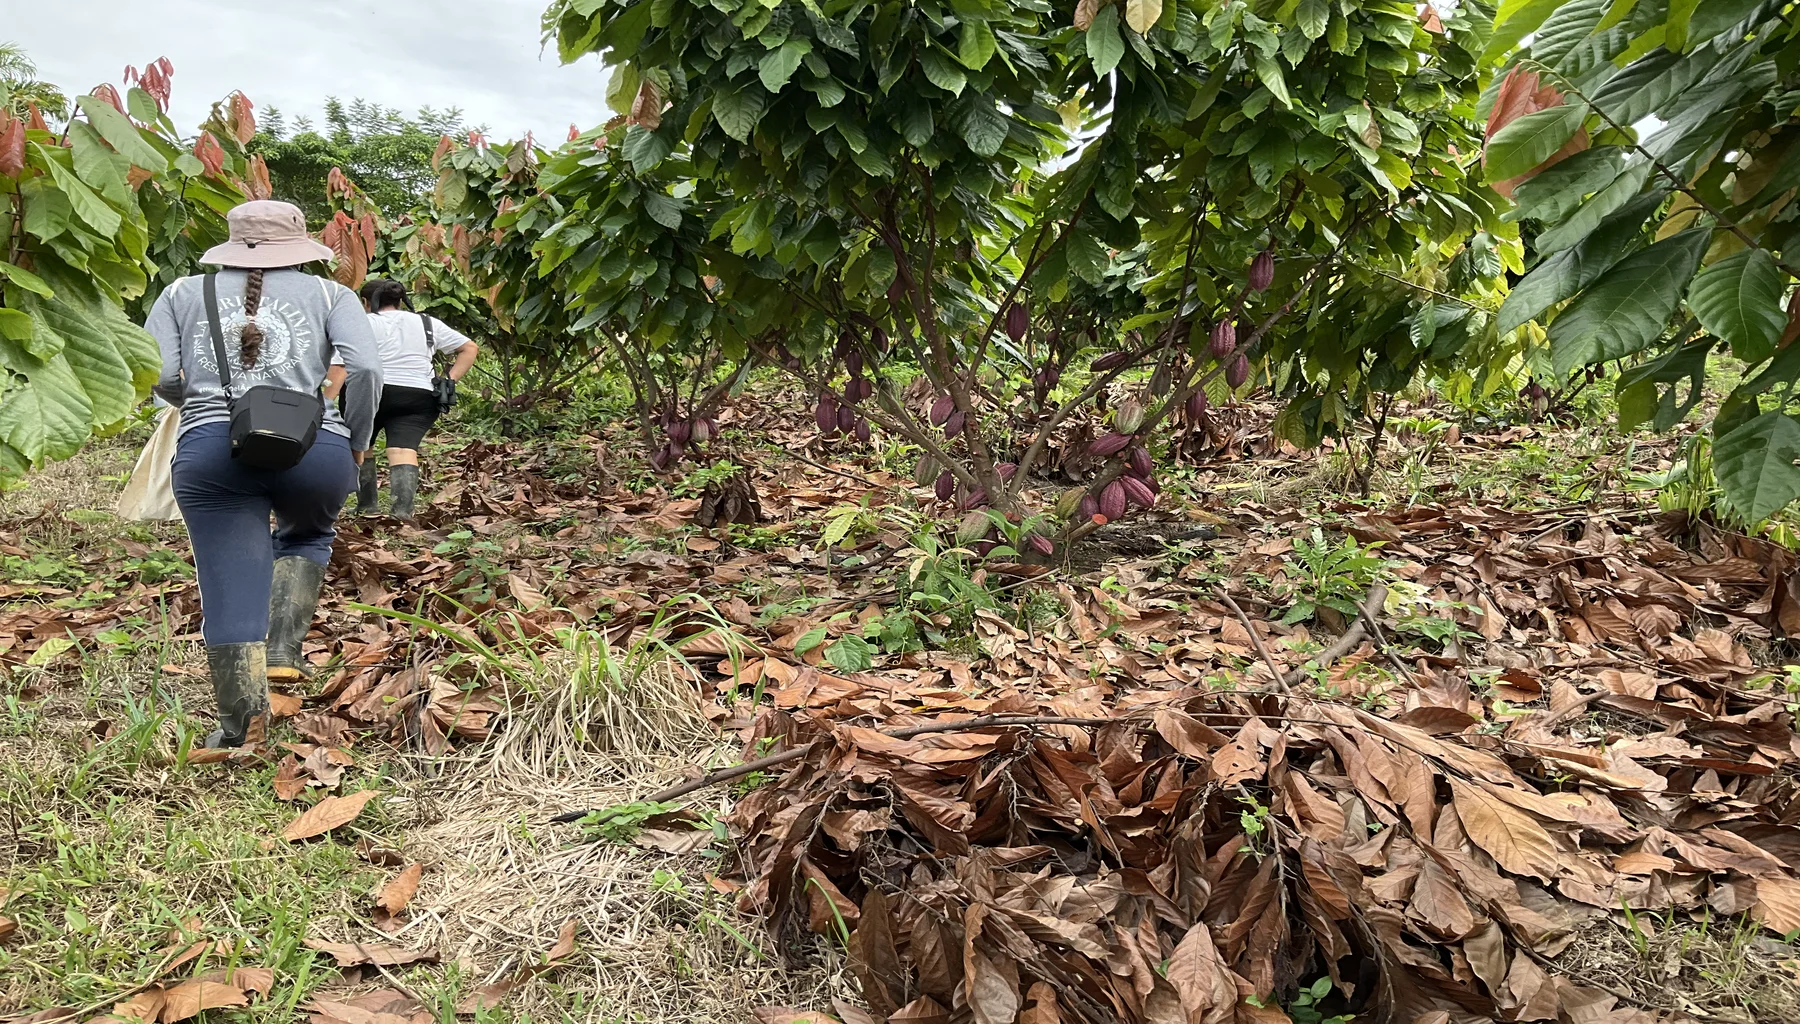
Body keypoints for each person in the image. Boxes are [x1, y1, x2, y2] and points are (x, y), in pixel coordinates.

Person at [146, 200, 382, 747]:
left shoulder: (183, 293)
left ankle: (239, 731)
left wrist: (205, 402)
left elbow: (157, 373)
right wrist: (357, 441)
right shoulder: (332, 294)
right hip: (315, 444)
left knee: (229, 587)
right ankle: (282, 649)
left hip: (212, 450)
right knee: (309, 533)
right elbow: (367, 369)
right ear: (299, 244)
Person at [329, 278, 480, 520]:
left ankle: (367, 508)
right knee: (402, 449)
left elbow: (340, 365)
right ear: (400, 300)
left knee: (361, 445)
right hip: (418, 394)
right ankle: (402, 513)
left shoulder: (361, 323)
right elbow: (469, 348)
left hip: (370, 391)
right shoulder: (426, 322)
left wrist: (326, 401)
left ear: (365, 302)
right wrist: (448, 380)